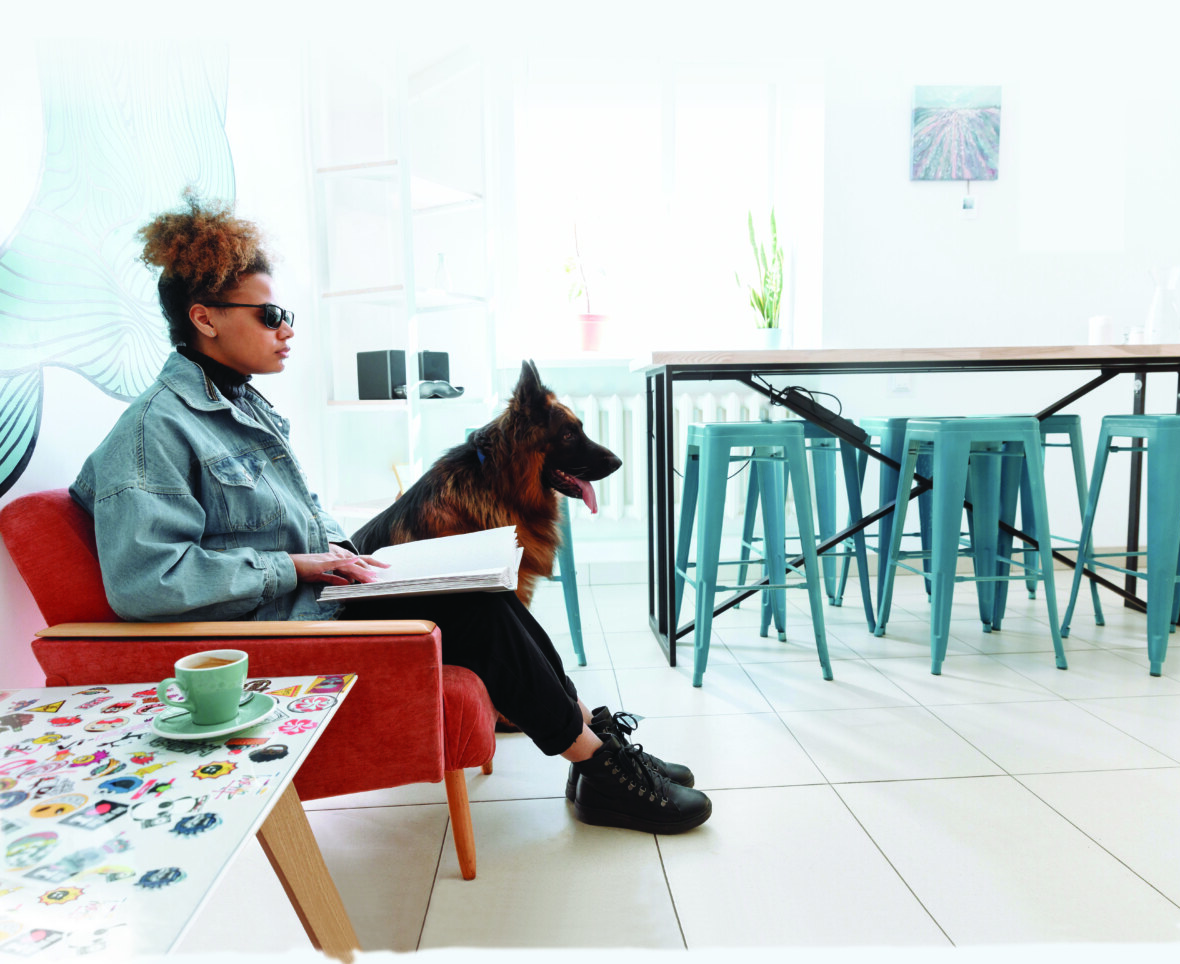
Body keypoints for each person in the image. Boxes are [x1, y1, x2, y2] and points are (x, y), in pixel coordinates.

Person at [70, 193, 711, 834]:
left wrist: (351, 558)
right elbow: (145, 584)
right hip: (273, 635)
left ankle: (593, 741)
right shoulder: (153, 432)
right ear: (204, 319)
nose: (287, 329)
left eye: (284, 313)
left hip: (314, 601)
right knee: (477, 608)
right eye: (269, 315)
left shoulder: (243, 409)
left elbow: (299, 521)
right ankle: (601, 770)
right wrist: (297, 565)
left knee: (483, 584)